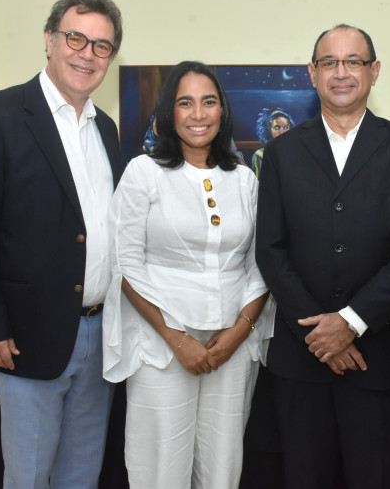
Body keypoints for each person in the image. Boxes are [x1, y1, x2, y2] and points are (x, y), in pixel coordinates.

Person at [0, 0, 123, 488]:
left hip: (97, 334)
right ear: (49, 39)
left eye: (101, 46)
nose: (86, 54)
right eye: (75, 38)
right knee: (28, 476)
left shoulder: (105, 129)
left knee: (81, 475)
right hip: (26, 338)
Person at [255, 24, 390, 489]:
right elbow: (270, 250)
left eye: (353, 61)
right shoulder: (280, 153)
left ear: (374, 72)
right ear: (311, 73)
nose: (341, 72)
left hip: (377, 357)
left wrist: (351, 322)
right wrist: (322, 333)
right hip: (301, 359)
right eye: (329, 62)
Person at [102, 61, 271, 489]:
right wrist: (177, 337)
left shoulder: (244, 181)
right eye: (185, 103)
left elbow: (260, 263)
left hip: (230, 349)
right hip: (162, 347)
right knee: (160, 468)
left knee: (223, 466)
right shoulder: (144, 173)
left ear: (222, 110)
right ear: (169, 113)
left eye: (208, 102)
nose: (198, 114)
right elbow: (126, 263)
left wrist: (239, 331)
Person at [251, 107, 294, 177]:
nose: (282, 132)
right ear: (269, 129)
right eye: (277, 127)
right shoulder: (260, 155)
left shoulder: (295, 153)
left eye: (286, 127)